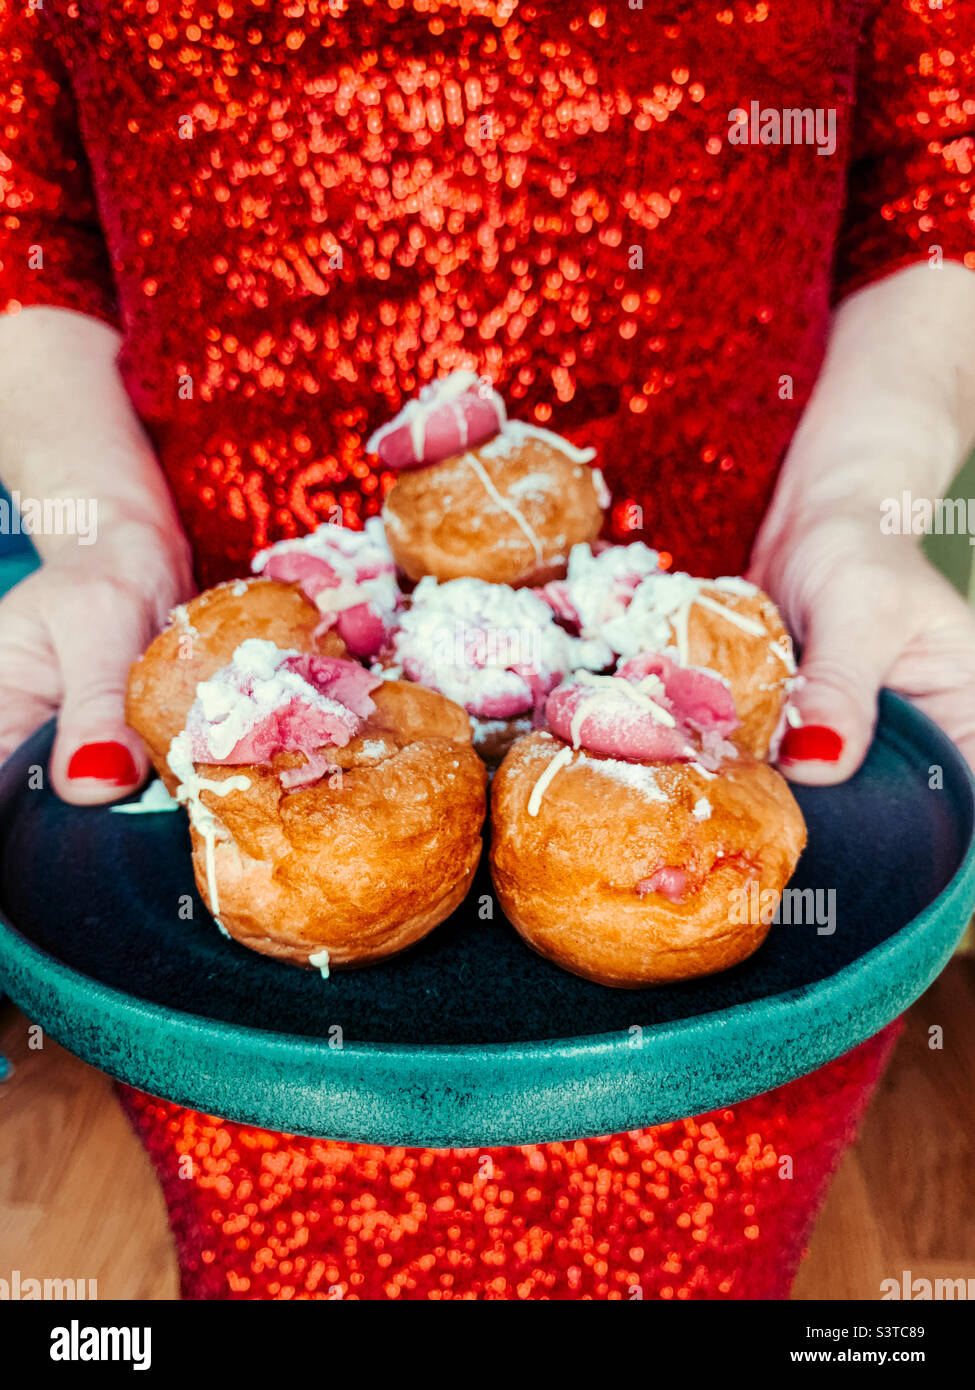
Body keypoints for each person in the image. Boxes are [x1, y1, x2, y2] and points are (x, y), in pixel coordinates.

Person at [0, 0, 973, 1299]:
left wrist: (854, 510)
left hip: (719, 699)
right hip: (235, 773)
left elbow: (936, 184)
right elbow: (28, 221)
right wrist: (100, 536)